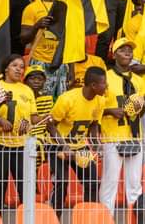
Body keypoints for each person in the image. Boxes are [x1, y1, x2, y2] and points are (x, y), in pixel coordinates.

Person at [46, 66, 107, 216]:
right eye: (104, 83)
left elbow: (93, 125)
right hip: (57, 146)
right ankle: (55, 218)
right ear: (93, 85)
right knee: (61, 183)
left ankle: (88, 217)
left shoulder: (100, 101)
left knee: (92, 182)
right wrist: (64, 146)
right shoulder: (67, 99)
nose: (107, 86)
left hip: (80, 146)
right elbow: (50, 125)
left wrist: (97, 145)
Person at [98, 38, 145, 214]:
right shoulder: (106, 78)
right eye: (122, 49)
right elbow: (95, 108)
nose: (127, 52)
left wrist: (137, 110)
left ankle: (135, 218)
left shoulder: (139, 81)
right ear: (114, 53)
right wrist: (110, 111)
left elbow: (144, 108)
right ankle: (106, 219)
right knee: (110, 183)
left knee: (134, 184)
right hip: (113, 135)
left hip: (134, 135)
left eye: (130, 50)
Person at [0, 55, 37, 211]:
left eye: (22, 67)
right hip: (0, 145)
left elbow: (33, 117)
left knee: (25, 186)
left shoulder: (27, 90)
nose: (19, 69)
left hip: (21, 146)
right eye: (15, 66)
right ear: (6, 68)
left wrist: (46, 118)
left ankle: (27, 219)